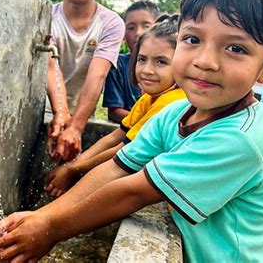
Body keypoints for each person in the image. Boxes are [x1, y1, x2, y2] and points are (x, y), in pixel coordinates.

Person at [0, 0, 263, 262]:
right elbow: (116, 168)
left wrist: (50, 230)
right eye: (193, 39)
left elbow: (132, 191)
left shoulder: (242, 139)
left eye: (235, 48)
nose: (205, 60)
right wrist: (45, 216)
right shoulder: (175, 112)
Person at [44, 14, 186, 197]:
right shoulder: (150, 97)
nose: (147, 70)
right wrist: (72, 166)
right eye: (142, 59)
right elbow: (114, 137)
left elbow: (123, 151)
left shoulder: (171, 102)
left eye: (161, 62)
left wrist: (73, 171)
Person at [46, 0, 125, 162]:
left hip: (82, 111)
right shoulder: (46, 16)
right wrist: (60, 112)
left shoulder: (111, 23)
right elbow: (51, 66)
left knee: (69, 167)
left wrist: (75, 126)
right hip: (43, 108)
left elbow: (97, 75)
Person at [102, 1, 160, 123]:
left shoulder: (172, 65)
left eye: (146, 26)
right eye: (131, 28)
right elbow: (114, 112)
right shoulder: (118, 64)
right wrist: (150, 123)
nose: (138, 32)